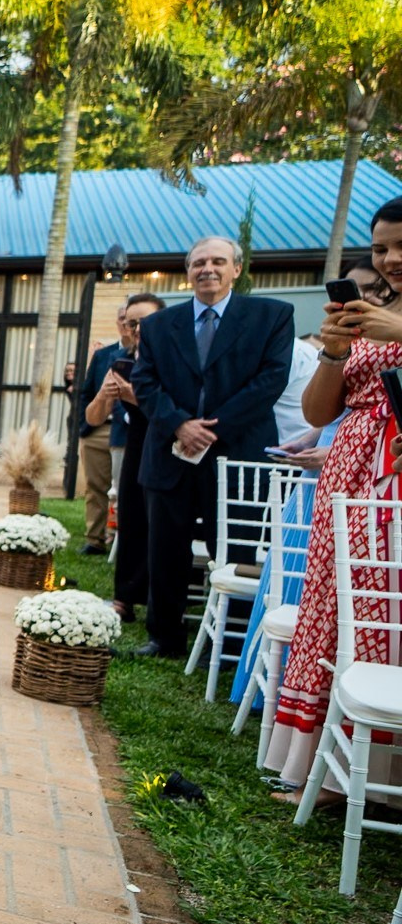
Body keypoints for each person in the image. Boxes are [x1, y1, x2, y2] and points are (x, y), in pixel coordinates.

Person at [267, 197, 402, 790]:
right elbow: (319, 411)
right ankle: (320, 769)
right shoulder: (368, 314)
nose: (391, 259)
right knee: (338, 608)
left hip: (394, 479)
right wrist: (335, 350)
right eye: (380, 248)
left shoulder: (391, 322)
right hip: (347, 479)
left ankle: (381, 770)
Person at [128, 236, 295, 658]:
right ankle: (164, 637)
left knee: (235, 546)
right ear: (188, 273)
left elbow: (270, 380)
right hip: (171, 452)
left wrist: (212, 429)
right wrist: (181, 424)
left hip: (238, 454)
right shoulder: (158, 326)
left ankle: (228, 642)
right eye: (199, 262)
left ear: (237, 268)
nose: (208, 269)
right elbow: (144, 382)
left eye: (218, 261)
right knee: (165, 548)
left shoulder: (272, 316)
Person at [83, 294, 164, 621]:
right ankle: (124, 598)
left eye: (144, 322)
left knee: (157, 524)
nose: (136, 329)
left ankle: (158, 602)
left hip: (165, 442)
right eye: (131, 323)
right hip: (134, 441)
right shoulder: (122, 360)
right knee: (129, 517)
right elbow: (92, 415)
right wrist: (106, 395)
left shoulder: (171, 360)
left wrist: (133, 394)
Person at [74, 306, 132, 555]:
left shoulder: (146, 354)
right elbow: (86, 392)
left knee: (122, 489)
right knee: (95, 486)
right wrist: (84, 426)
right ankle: (94, 538)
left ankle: (119, 539)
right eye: (122, 319)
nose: (126, 324)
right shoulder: (103, 355)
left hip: (127, 431)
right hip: (97, 428)